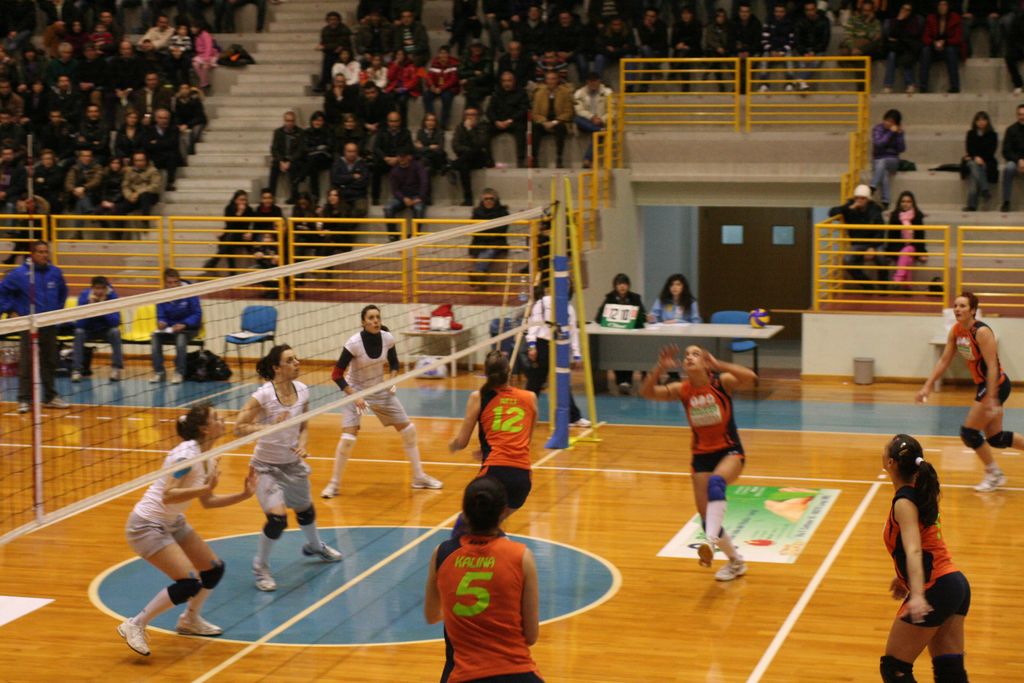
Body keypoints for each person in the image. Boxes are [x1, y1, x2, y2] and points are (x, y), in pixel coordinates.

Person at [117, 402, 257, 656]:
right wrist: (205, 487)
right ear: (205, 429)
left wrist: (244, 495)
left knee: (213, 569)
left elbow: (208, 501)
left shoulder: (209, 456)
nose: (222, 421)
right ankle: (135, 624)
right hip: (147, 525)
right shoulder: (185, 456)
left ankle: (189, 620)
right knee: (189, 583)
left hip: (172, 521)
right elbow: (168, 495)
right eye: (216, 418)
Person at [639, 344, 757, 581]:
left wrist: (720, 364)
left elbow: (751, 378)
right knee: (706, 519)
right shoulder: (682, 389)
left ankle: (710, 542)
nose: (689, 358)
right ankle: (735, 561)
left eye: (696, 354)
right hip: (701, 456)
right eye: (686, 356)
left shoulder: (721, 382)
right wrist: (659, 368)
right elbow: (647, 393)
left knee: (716, 483)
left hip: (730, 451)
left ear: (705, 362)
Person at [233, 345, 343, 592]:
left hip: (292, 464)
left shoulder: (303, 390)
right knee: (277, 519)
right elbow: (238, 428)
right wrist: (268, 427)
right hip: (265, 467)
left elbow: (304, 425)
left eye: (296, 358)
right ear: (277, 367)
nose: (297, 363)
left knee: (305, 510)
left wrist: (302, 445)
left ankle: (315, 546)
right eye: (290, 360)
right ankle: (260, 568)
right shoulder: (264, 395)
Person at [424, 477, 542, 683]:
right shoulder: (522, 556)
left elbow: (432, 615)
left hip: (464, 674)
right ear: (503, 512)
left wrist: (465, 612)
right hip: (516, 673)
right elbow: (531, 636)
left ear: (464, 513)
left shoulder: (442, 553)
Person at [321, 304, 442, 498]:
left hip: (379, 390)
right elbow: (336, 375)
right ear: (363, 322)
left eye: (377, 317)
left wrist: (392, 380)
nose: (375, 321)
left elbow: (394, 363)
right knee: (348, 439)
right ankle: (334, 484)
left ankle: (419, 477)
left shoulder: (388, 338)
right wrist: (355, 396)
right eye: (371, 318)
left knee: (409, 431)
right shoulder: (353, 343)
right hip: (356, 391)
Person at [878, 434, 971, 683]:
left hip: (936, 588)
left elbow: (915, 550)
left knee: (895, 669)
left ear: (891, 463)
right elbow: (926, 545)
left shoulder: (904, 502)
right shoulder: (921, 493)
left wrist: (918, 594)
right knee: (949, 672)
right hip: (954, 585)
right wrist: (903, 578)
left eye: (884, 450)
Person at [917, 291, 1022, 492]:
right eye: (956, 305)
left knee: (969, 433)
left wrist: (991, 396)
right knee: (996, 438)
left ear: (973, 310)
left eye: (963, 306)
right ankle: (995, 474)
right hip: (986, 386)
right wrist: (927, 386)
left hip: (995, 384)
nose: (957, 309)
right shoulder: (956, 331)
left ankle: (994, 474)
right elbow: (944, 360)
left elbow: (992, 365)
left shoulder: (981, 332)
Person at [448, 349, 537, 536]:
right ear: (509, 372)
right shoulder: (530, 397)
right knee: (490, 526)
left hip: (494, 473)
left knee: (469, 524)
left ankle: (453, 553)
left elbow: (462, 442)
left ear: (485, 373)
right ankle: (500, 551)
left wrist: (453, 445)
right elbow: (525, 439)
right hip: (522, 478)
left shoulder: (478, 397)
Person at [0, 240, 69, 413]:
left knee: (50, 361)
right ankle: (24, 399)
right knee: (27, 363)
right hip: (29, 324)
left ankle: (50, 397)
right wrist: (11, 309)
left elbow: (62, 292)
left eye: (46, 251)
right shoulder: (19, 274)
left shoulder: (55, 272)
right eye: (40, 252)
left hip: (49, 323)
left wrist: (56, 312)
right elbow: (2, 292)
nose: (44, 255)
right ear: (32, 254)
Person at [526, 285, 590, 428]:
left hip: (560, 346)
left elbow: (573, 332)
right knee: (535, 383)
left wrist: (577, 354)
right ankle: (525, 415)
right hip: (542, 345)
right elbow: (533, 325)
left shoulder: (569, 309)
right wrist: (532, 345)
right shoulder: (543, 302)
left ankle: (573, 417)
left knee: (563, 382)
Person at [595, 273, 646, 394]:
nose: (622, 286)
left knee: (629, 353)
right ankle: (620, 381)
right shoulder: (609, 298)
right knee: (616, 354)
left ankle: (627, 381)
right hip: (615, 336)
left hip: (631, 337)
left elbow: (643, 316)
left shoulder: (635, 298)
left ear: (628, 285)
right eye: (619, 284)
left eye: (624, 284)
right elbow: (599, 318)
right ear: (615, 286)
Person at [830, 184, 888, 286]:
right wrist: (849, 208)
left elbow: (880, 231)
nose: (859, 200)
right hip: (858, 244)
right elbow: (832, 212)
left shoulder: (875, 209)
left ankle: (883, 287)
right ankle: (867, 286)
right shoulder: (849, 207)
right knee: (847, 260)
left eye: (862, 198)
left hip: (874, 243)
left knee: (881, 257)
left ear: (868, 199)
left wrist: (872, 247)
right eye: (857, 198)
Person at [150, 268, 201, 384]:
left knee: (180, 338)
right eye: (170, 283)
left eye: (176, 282)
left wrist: (184, 324)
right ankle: (159, 372)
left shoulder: (190, 291)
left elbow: (197, 314)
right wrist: (161, 322)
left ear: (179, 281)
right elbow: (161, 315)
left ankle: (179, 372)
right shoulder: (161, 295)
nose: (173, 285)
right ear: (165, 283)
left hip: (189, 328)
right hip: (170, 329)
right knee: (154, 337)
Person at [72, 275, 124, 382]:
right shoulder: (84, 296)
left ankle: (116, 368)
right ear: (92, 288)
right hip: (88, 330)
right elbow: (79, 324)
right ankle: (76, 370)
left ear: (106, 289)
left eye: (102, 288)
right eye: (97, 288)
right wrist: (89, 307)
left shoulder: (112, 296)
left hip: (105, 330)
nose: (99, 291)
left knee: (115, 332)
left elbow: (115, 322)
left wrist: (102, 307)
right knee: (78, 332)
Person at [919, 0, 965, 94]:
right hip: (934, 47)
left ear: (948, 6)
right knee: (925, 51)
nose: (942, 7)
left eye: (944, 5)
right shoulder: (931, 18)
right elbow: (925, 37)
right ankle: (923, 86)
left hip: (950, 46)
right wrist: (934, 43)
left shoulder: (955, 18)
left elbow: (958, 39)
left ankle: (955, 86)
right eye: (940, 5)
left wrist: (945, 42)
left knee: (951, 51)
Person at [530, 70, 572, 169]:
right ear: (545, 80)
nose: (551, 81)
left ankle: (559, 158)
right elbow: (535, 113)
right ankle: (534, 159)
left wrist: (554, 122)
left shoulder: (565, 92)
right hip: (543, 121)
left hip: (558, 121)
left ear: (557, 80)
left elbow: (568, 112)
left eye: (553, 79)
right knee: (535, 127)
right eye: (548, 79)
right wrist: (544, 121)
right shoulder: (539, 93)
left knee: (561, 128)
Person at [487, 71, 528, 168]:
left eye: (509, 81)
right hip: (499, 122)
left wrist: (510, 120)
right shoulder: (496, 93)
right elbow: (490, 110)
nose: (506, 83)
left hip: (514, 122)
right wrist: (496, 121)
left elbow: (523, 110)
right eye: (504, 81)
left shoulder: (521, 93)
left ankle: (521, 160)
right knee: (484, 131)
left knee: (521, 130)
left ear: (514, 81)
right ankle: (488, 160)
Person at [451, 106, 491, 206]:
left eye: (473, 114)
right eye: (467, 114)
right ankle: (468, 199)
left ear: (477, 116)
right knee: (463, 166)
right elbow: (455, 146)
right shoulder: (460, 127)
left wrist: (470, 130)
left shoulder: (482, 126)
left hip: (479, 159)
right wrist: (468, 150)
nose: (470, 117)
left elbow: (480, 144)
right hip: (465, 159)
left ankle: (452, 165)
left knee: (475, 151)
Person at [468, 188, 509, 285]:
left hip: (497, 242)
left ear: (496, 200)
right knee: (482, 250)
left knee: (487, 252)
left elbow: (501, 230)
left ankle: (478, 274)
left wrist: (486, 233)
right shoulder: (476, 212)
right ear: (482, 200)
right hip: (480, 241)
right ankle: (480, 276)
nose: (488, 201)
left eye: (491, 199)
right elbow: (474, 230)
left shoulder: (503, 212)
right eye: (486, 199)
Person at [887, 191, 927, 285]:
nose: (905, 204)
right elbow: (891, 236)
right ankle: (907, 285)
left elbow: (920, 236)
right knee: (908, 258)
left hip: (913, 246)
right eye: (903, 201)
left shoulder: (917, 216)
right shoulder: (894, 216)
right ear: (899, 203)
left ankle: (898, 278)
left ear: (912, 203)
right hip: (897, 246)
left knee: (907, 250)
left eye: (908, 201)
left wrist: (922, 252)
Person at [882, 3, 924, 94]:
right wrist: (899, 21)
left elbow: (912, 36)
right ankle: (888, 85)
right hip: (897, 47)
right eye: (903, 9)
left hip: (909, 48)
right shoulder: (894, 21)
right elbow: (891, 35)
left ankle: (910, 84)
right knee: (891, 55)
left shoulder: (914, 21)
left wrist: (899, 37)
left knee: (906, 56)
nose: (905, 11)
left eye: (908, 10)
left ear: (911, 12)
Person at [573, 73, 612, 169]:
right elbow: (579, 111)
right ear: (587, 82)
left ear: (599, 81)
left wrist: (601, 119)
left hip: (601, 121)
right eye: (590, 81)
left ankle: (587, 159)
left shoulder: (608, 93)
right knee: (577, 119)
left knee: (599, 133)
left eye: (595, 81)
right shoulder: (579, 93)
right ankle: (599, 130)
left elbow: (612, 111)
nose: (593, 84)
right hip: (586, 122)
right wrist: (592, 117)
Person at [962, 110, 998, 212]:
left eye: (983, 120)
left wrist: (981, 159)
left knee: (974, 171)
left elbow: (991, 151)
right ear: (975, 122)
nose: (981, 122)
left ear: (987, 121)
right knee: (973, 164)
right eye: (978, 120)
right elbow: (969, 149)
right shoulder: (970, 133)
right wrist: (975, 157)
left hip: (987, 161)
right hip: (973, 160)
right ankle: (985, 189)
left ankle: (972, 205)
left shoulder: (993, 135)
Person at [871, 109, 905, 210]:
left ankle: (872, 186)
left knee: (883, 162)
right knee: (883, 171)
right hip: (877, 160)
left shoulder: (898, 132)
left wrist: (899, 135)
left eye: (891, 122)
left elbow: (901, 149)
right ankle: (886, 201)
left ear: (896, 124)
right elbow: (878, 144)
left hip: (892, 160)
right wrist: (890, 133)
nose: (888, 123)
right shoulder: (877, 129)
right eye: (886, 120)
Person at [999, 103, 1024, 212]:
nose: (1022, 117)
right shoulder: (1011, 130)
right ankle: (1006, 202)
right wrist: (1018, 160)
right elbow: (1006, 151)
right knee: (1009, 168)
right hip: (1015, 161)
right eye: (1020, 114)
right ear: (1016, 115)